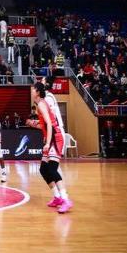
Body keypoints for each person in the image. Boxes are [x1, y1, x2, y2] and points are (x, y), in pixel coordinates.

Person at [28, 82, 72, 214]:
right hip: (51, 137)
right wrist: (34, 124)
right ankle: (57, 197)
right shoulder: (39, 105)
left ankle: (66, 199)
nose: (31, 90)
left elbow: (50, 124)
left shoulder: (42, 104)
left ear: (38, 92)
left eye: (33, 89)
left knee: (52, 169)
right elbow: (44, 125)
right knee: (43, 169)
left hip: (56, 137)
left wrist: (47, 143)